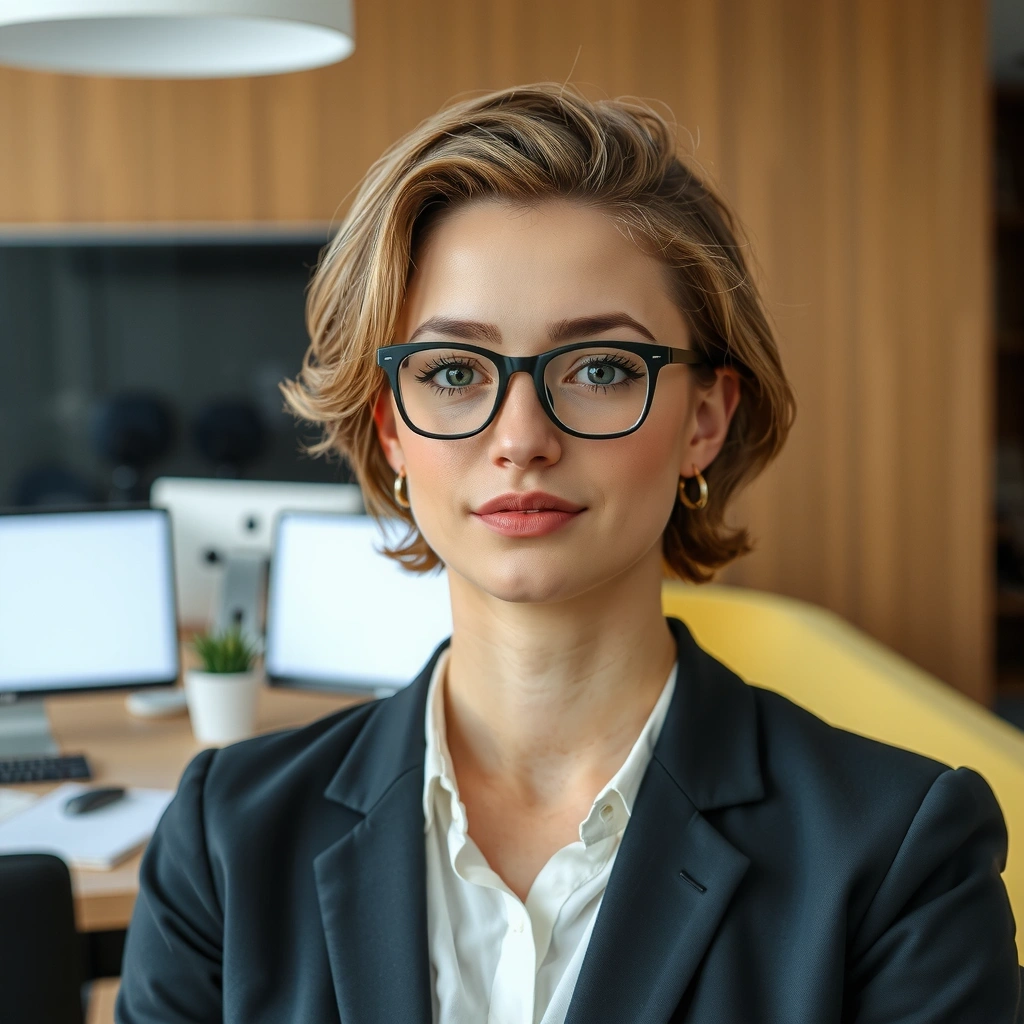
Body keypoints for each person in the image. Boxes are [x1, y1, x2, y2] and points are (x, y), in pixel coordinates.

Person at [116, 83, 1022, 1023]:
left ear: (704, 419)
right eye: (453, 372)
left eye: (598, 370)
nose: (521, 438)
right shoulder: (224, 839)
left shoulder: (904, 855)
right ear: (391, 428)